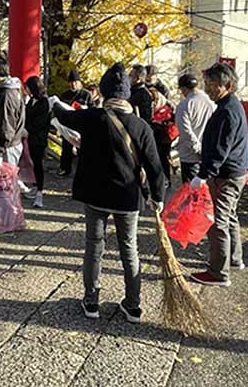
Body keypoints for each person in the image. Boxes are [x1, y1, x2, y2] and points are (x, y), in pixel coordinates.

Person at [52, 62, 167, 324]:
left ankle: (91, 301)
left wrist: (54, 101)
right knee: (130, 250)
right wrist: (158, 196)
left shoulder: (92, 118)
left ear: (103, 92)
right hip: (128, 198)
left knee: (94, 246)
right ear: (126, 94)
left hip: (95, 195)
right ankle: (133, 305)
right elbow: (155, 167)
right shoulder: (140, 126)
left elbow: (64, 115)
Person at [189, 62, 248, 288]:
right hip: (236, 171)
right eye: (207, 84)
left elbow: (219, 150)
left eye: (213, 85)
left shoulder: (227, 112)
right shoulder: (231, 106)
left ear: (228, 85)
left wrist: (203, 175)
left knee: (218, 222)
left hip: (227, 175)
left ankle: (218, 273)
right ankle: (234, 259)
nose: (208, 89)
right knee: (230, 215)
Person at [174, 73, 215, 184]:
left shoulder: (184, 105)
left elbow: (186, 132)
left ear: (183, 89)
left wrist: (197, 148)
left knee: (191, 193)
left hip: (190, 156)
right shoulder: (211, 102)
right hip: (209, 154)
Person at [0, 55, 27, 168]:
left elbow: (6, 125)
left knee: (5, 183)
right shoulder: (14, 89)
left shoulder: (6, 95)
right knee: (8, 180)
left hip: (7, 147)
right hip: (12, 144)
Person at [24, 75, 50, 209]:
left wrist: (28, 129)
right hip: (29, 137)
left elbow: (40, 122)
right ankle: (34, 186)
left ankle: (40, 190)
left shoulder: (44, 102)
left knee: (38, 164)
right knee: (31, 164)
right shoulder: (30, 101)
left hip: (38, 139)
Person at [58, 70, 91, 177]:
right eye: (71, 82)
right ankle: (65, 169)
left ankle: (84, 170)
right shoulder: (64, 95)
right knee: (66, 148)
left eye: (75, 82)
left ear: (80, 83)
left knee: (83, 149)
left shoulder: (86, 95)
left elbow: (92, 109)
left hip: (82, 125)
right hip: (68, 124)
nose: (73, 84)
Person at [149, 87, 178, 182]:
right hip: (161, 136)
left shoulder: (165, 109)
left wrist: (158, 122)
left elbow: (167, 121)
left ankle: (165, 179)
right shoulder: (156, 108)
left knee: (163, 158)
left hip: (165, 136)